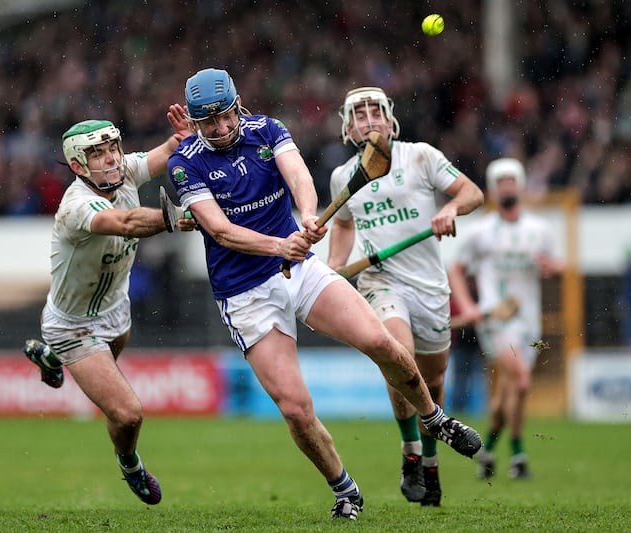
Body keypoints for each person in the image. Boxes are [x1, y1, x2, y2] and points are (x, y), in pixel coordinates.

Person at [167, 68, 482, 520]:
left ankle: (434, 420)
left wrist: (309, 217)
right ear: (196, 124)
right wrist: (280, 244)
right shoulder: (187, 162)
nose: (218, 129)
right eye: (207, 123)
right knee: (296, 409)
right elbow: (219, 229)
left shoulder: (267, 129)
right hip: (246, 293)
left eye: (224, 117)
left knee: (380, 343)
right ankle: (345, 490)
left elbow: (297, 175)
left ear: (238, 106)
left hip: (300, 269)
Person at [22, 111, 197, 505]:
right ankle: (130, 464)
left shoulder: (126, 171)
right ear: (78, 165)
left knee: (115, 395)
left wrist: (185, 138)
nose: (112, 158)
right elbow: (127, 222)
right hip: (73, 326)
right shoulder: (76, 207)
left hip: (117, 309)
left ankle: (51, 360)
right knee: (128, 413)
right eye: (98, 154)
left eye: (113, 148)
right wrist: (176, 217)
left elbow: (168, 151)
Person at [325, 87, 485, 507]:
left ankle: (429, 463)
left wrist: (450, 210)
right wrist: (333, 269)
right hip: (380, 280)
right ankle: (410, 450)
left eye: (375, 111)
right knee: (399, 355)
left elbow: (472, 193)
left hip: (429, 286)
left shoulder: (421, 156)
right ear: (348, 126)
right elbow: (342, 225)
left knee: (432, 380)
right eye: (359, 114)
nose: (368, 119)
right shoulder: (344, 176)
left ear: (389, 118)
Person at [448, 157, 563, 480]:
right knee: (522, 380)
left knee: (506, 394)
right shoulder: (481, 232)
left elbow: (558, 268)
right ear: (492, 189)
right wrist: (468, 305)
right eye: (501, 182)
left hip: (528, 321)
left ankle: (487, 454)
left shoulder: (539, 230)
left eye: (512, 180)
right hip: (495, 320)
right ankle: (518, 455)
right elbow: (456, 270)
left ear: (521, 185)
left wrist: (550, 269)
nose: (507, 186)